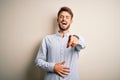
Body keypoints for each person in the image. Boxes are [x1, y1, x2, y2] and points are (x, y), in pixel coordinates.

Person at [35, 6, 86, 80]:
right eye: (61, 17)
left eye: (67, 17)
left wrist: (76, 38)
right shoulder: (47, 39)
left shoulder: (76, 39)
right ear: (58, 20)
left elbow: (83, 44)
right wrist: (53, 67)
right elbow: (38, 61)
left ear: (71, 21)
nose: (64, 19)